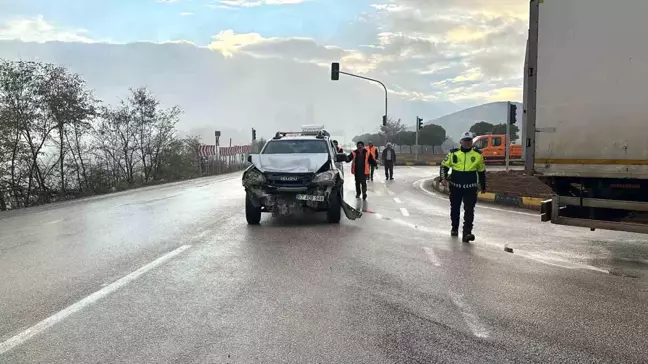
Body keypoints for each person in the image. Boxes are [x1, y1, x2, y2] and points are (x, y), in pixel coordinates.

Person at [440, 132, 486, 243]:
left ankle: (467, 233)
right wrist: (443, 178)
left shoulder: (477, 155)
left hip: (470, 188)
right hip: (455, 187)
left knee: (469, 210)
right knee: (455, 209)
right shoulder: (453, 154)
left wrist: (483, 186)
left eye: (469, 141)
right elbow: (444, 166)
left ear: (472, 142)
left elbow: (481, 172)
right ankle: (454, 228)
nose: (467, 143)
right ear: (461, 142)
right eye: (465, 141)